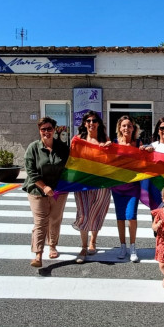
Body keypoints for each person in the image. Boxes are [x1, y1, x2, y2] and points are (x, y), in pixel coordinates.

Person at [23, 116, 70, 268]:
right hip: (37, 190)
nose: (46, 132)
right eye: (43, 129)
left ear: (54, 130)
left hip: (58, 191)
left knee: (55, 219)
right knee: (41, 222)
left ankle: (53, 246)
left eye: (49, 129)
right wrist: (44, 187)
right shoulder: (33, 148)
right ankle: (38, 254)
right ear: (39, 131)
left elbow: (70, 168)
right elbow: (30, 171)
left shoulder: (63, 148)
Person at [71, 110, 112, 263]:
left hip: (101, 183)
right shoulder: (78, 139)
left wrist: (108, 148)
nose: (91, 123)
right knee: (83, 213)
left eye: (94, 121)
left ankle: (93, 241)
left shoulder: (104, 139)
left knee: (96, 212)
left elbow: (111, 162)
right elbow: (72, 161)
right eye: (88, 121)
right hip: (82, 183)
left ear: (99, 123)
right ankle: (83, 247)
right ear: (84, 123)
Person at [111, 115, 144, 262]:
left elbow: (146, 160)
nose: (126, 128)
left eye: (129, 126)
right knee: (120, 217)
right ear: (119, 128)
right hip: (117, 188)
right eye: (123, 125)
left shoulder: (138, 143)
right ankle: (122, 246)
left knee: (131, 217)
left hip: (133, 187)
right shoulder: (114, 143)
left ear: (133, 128)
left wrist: (147, 150)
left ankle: (132, 247)